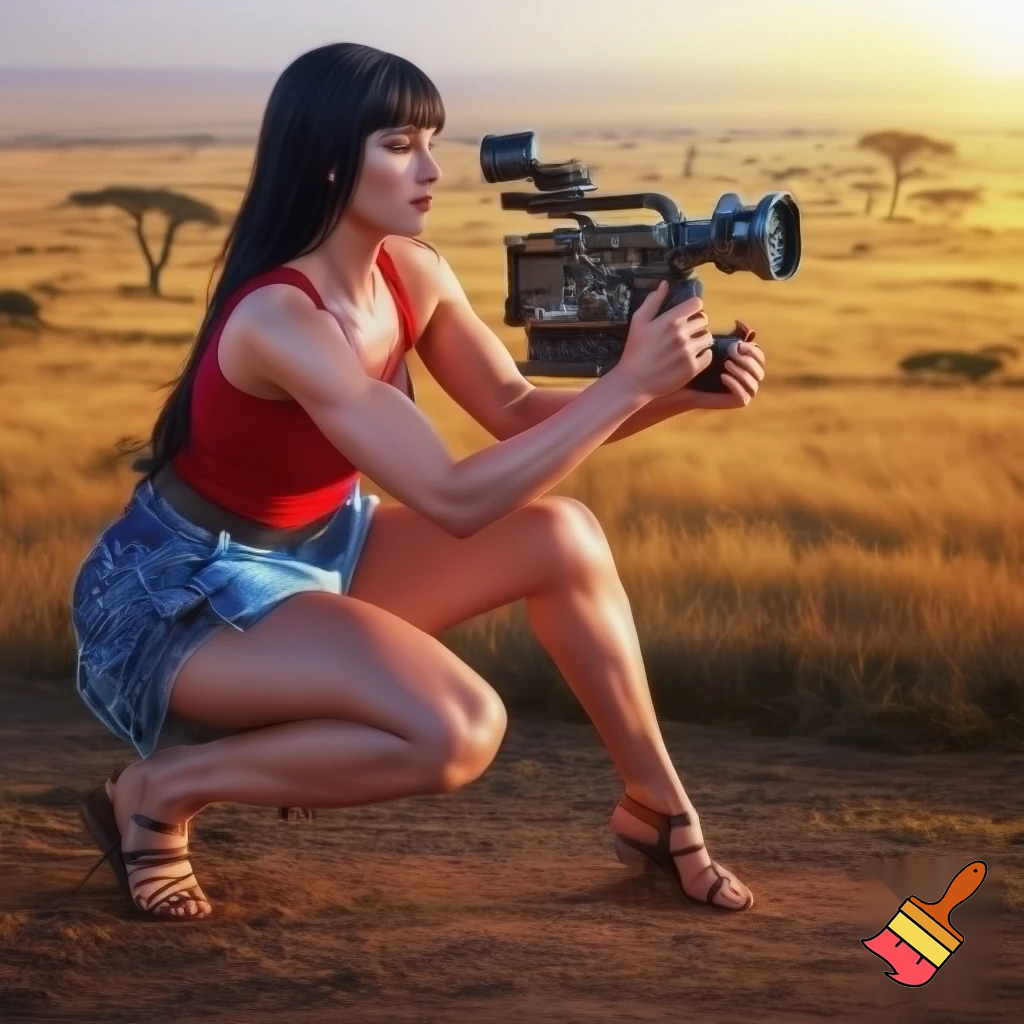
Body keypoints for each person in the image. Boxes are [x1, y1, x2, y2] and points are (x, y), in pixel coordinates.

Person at [69, 42, 767, 922]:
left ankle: (657, 811)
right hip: (184, 593)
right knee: (458, 728)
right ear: (328, 159)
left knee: (565, 535)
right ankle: (160, 791)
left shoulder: (412, 271)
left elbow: (512, 410)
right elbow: (455, 499)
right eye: (400, 145)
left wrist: (680, 395)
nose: (432, 169)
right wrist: (628, 383)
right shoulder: (282, 319)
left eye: (431, 141)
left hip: (328, 551)